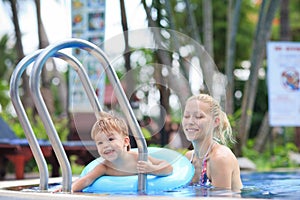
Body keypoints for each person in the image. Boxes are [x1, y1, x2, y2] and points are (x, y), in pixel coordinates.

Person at [68, 111, 173, 192]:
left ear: (126, 141)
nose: (105, 146)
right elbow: (87, 179)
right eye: (100, 143)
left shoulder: (137, 158)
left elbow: (168, 168)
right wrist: (69, 189)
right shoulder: (104, 167)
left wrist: (152, 169)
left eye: (110, 139)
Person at [182, 94, 243, 192]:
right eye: (186, 116)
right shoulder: (189, 158)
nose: (190, 122)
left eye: (198, 116)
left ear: (215, 121)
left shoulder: (220, 158)